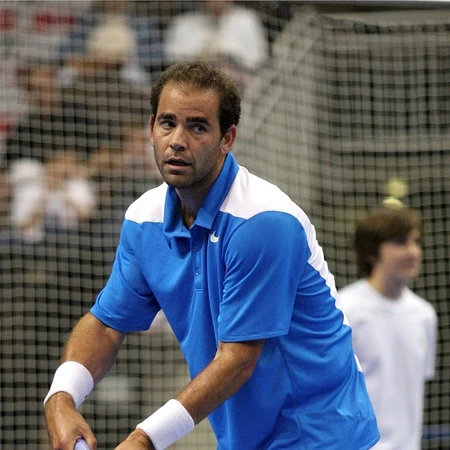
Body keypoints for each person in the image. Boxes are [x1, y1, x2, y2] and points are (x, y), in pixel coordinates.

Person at [43, 60, 379, 450]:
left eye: (198, 127)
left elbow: (237, 360)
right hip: (244, 439)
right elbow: (106, 326)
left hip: (324, 436)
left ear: (227, 138)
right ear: (151, 129)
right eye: (167, 123)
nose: (177, 140)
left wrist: (144, 439)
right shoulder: (143, 218)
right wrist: (61, 398)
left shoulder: (264, 222)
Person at [339, 205, 438, 450]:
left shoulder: (424, 315)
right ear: (372, 253)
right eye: (400, 242)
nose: (413, 251)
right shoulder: (344, 309)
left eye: (416, 242)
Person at [164, 0, 268, 91]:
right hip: (193, 85)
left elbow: (257, 59)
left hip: (240, 86)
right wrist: (202, 58)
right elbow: (173, 60)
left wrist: (227, 58)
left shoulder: (247, 20)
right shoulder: (183, 23)